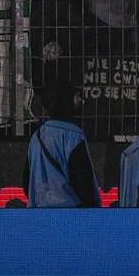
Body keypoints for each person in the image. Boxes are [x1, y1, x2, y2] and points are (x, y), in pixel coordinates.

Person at [27, 80, 100, 208]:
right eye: (74, 95)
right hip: (70, 213)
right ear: (64, 100)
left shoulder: (36, 137)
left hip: (39, 212)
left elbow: (27, 179)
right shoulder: (73, 135)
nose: (79, 99)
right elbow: (82, 178)